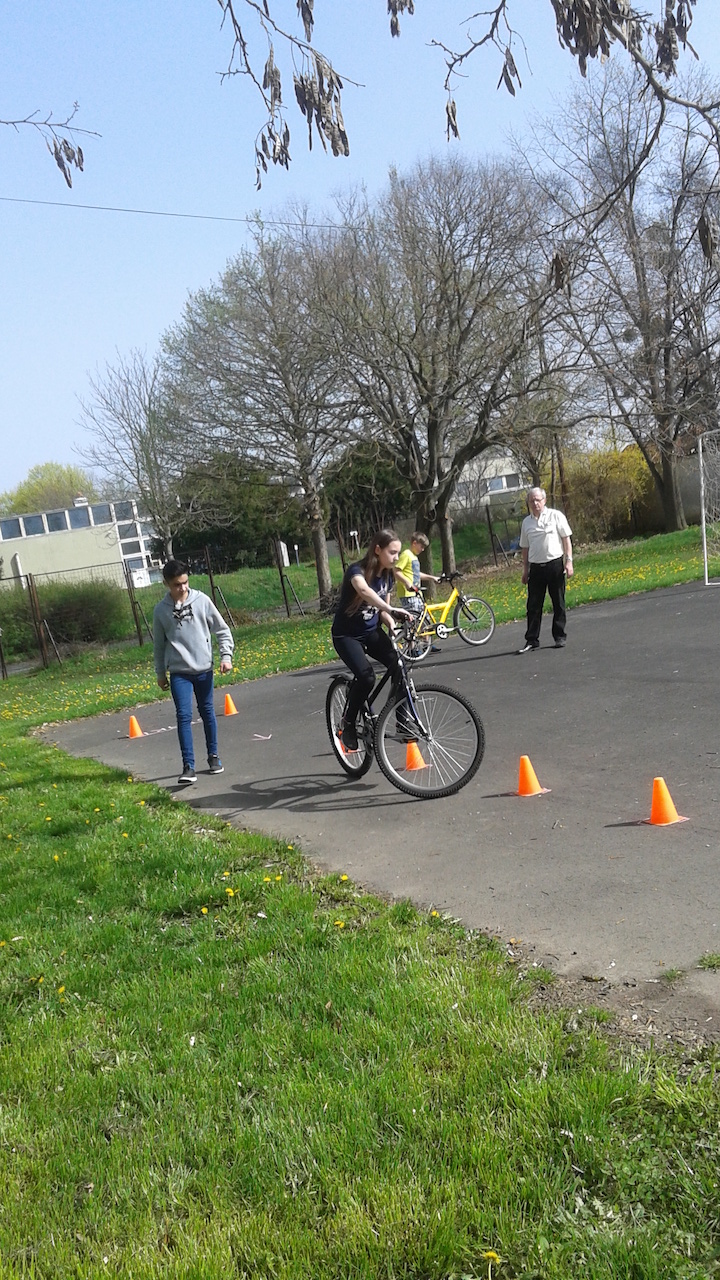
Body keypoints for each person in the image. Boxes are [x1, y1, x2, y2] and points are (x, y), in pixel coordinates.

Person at [153, 559, 234, 785]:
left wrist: (226, 656)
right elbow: (159, 646)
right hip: (179, 672)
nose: (182, 588)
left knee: (207, 711)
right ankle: (188, 766)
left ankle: (213, 756)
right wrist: (160, 673)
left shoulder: (202, 601)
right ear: (167, 584)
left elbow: (222, 630)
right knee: (183, 715)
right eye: (177, 585)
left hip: (204, 669)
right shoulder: (160, 611)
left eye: (185, 582)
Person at [331, 530, 412, 750]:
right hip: (347, 635)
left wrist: (391, 624)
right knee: (366, 677)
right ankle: (348, 723)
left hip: (371, 631)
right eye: (392, 552)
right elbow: (364, 591)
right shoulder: (356, 571)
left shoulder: (388, 575)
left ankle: (403, 723)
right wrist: (391, 610)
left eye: (398, 553)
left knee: (399, 666)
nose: (396, 557)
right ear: (378, 550)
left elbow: (383, 610)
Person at [517, 487, 574, 653]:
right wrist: (525, 570)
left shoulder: (555, 516)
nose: (535, 503)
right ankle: (532, 640)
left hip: (554, 565)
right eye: (532, 501)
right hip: (536, 568)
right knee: (533, 606)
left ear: (544, 500)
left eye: (538, 500)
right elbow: (525, 548)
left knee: (558, 603)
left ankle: (559, 636)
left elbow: (566, 539)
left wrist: (569, 561)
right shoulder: (526, 523)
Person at [393, 532, 441, 612]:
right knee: (414, 618)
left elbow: (416, 574)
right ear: (414, 543)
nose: (423, 550)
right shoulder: (406, 554)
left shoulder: (414, 557)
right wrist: (407, 582)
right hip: (408, 594)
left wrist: (432, 578)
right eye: (421, 547)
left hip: (417, 594)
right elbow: (396, 571)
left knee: (424, 618)